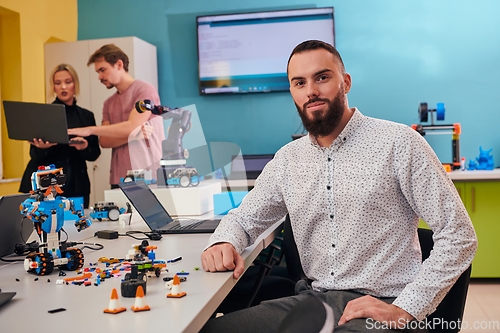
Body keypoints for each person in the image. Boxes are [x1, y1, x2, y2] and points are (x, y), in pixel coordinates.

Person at [200, 40, 477, 332]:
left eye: (322, 77)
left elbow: (458, 234)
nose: (311, 91)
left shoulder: (399, 143)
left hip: (380, 306)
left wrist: (406, 308)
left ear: (345, 82)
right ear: (292, 92)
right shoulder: (287, 160)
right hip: (313, 303)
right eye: (299, 82)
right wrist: (224, 241)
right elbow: (245, 218)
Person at [68, 44, 164, 188]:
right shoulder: (108, 103)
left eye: (102, 70)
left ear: (119, 64)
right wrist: (133, 136)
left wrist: (91, 130)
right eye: (98, 72)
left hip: (147, 176)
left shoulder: (144, 90)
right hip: (119, 178)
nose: (100, 77)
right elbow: (105, 141)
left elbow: (132, 126)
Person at [19, 64, 101, 208]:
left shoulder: (86, 116)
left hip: (77, 184)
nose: (63, 87)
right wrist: (43, 148)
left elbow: (94, 154)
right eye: (58, 83)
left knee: (78, 226)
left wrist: (84, 147)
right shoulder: (43, 115)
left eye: (68, 82)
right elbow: (34, 156)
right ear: (53, 87)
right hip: (46, 185)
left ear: (75, 84)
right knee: (45, 227)